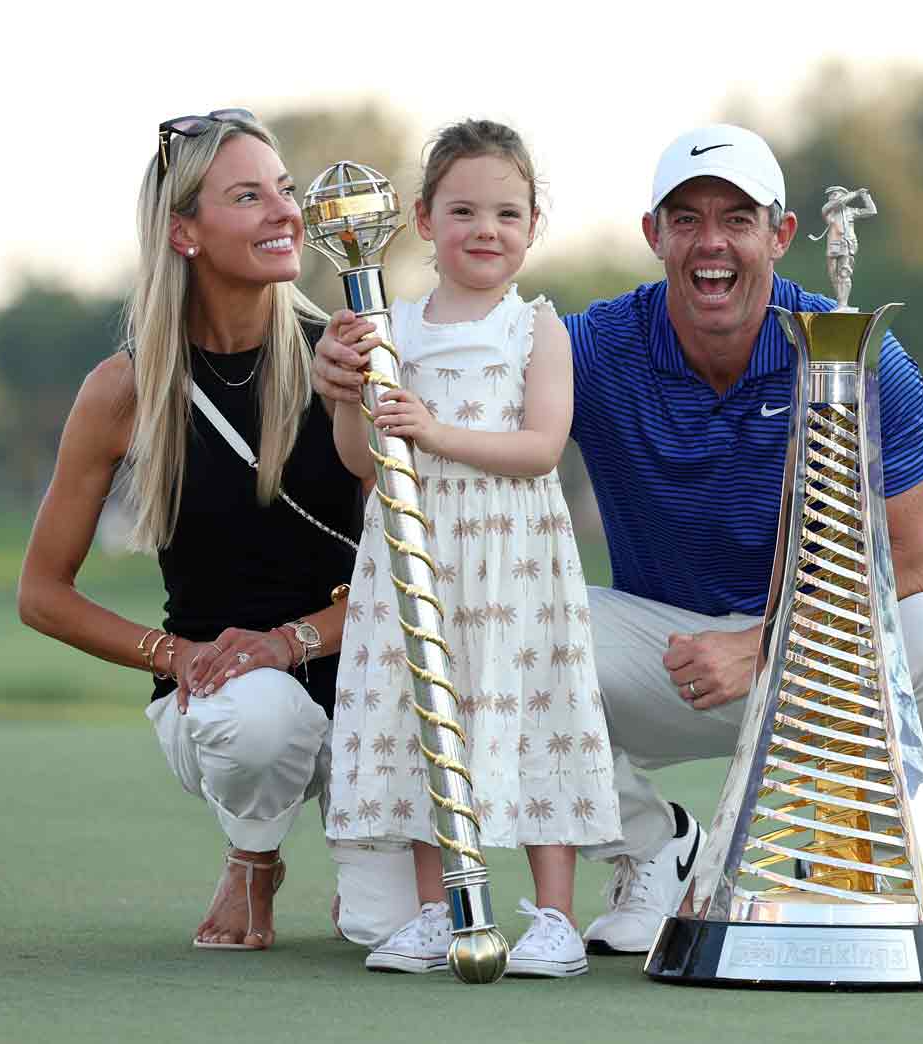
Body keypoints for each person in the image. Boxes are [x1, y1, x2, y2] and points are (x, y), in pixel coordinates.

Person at [313, 123, 923, 957]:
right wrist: (356, 380)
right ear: (654, 235)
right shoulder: (592, 344)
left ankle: (842, 851)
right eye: (685, 219)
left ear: (780, 236)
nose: (710, 243)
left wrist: (762, 645)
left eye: (737, 219)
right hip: (655, 643)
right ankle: (658, 847)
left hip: (810, 650)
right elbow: (462, 403)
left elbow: (913, 561)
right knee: (496, 635)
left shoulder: (861, 357)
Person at [17, 108, 416, 952]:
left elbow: (420, 569)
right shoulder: (123, 389)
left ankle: (363, 843)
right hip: (227, 700)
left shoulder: (343, 354)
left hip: (372, 689)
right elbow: (42, 594)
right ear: (184, 232)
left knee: (384, 929)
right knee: (254, 718)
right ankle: (254, 853)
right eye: (247, 197)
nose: (283, 213)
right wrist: (176, 656)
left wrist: (294, 640)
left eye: (283, 190)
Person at [322, 119, 620, 979]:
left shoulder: (537, 330)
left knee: (532, 713)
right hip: (421, 554)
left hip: (513, 557)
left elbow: (540, 448)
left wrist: (436, 432)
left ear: (533, 227)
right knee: (430, 718)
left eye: (506, 212)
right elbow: (363, 463)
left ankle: (555, 920)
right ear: (422, 220)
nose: (485, 229)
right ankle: (440, 908)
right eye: (463, 210)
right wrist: (351, 391)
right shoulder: (391, 328)